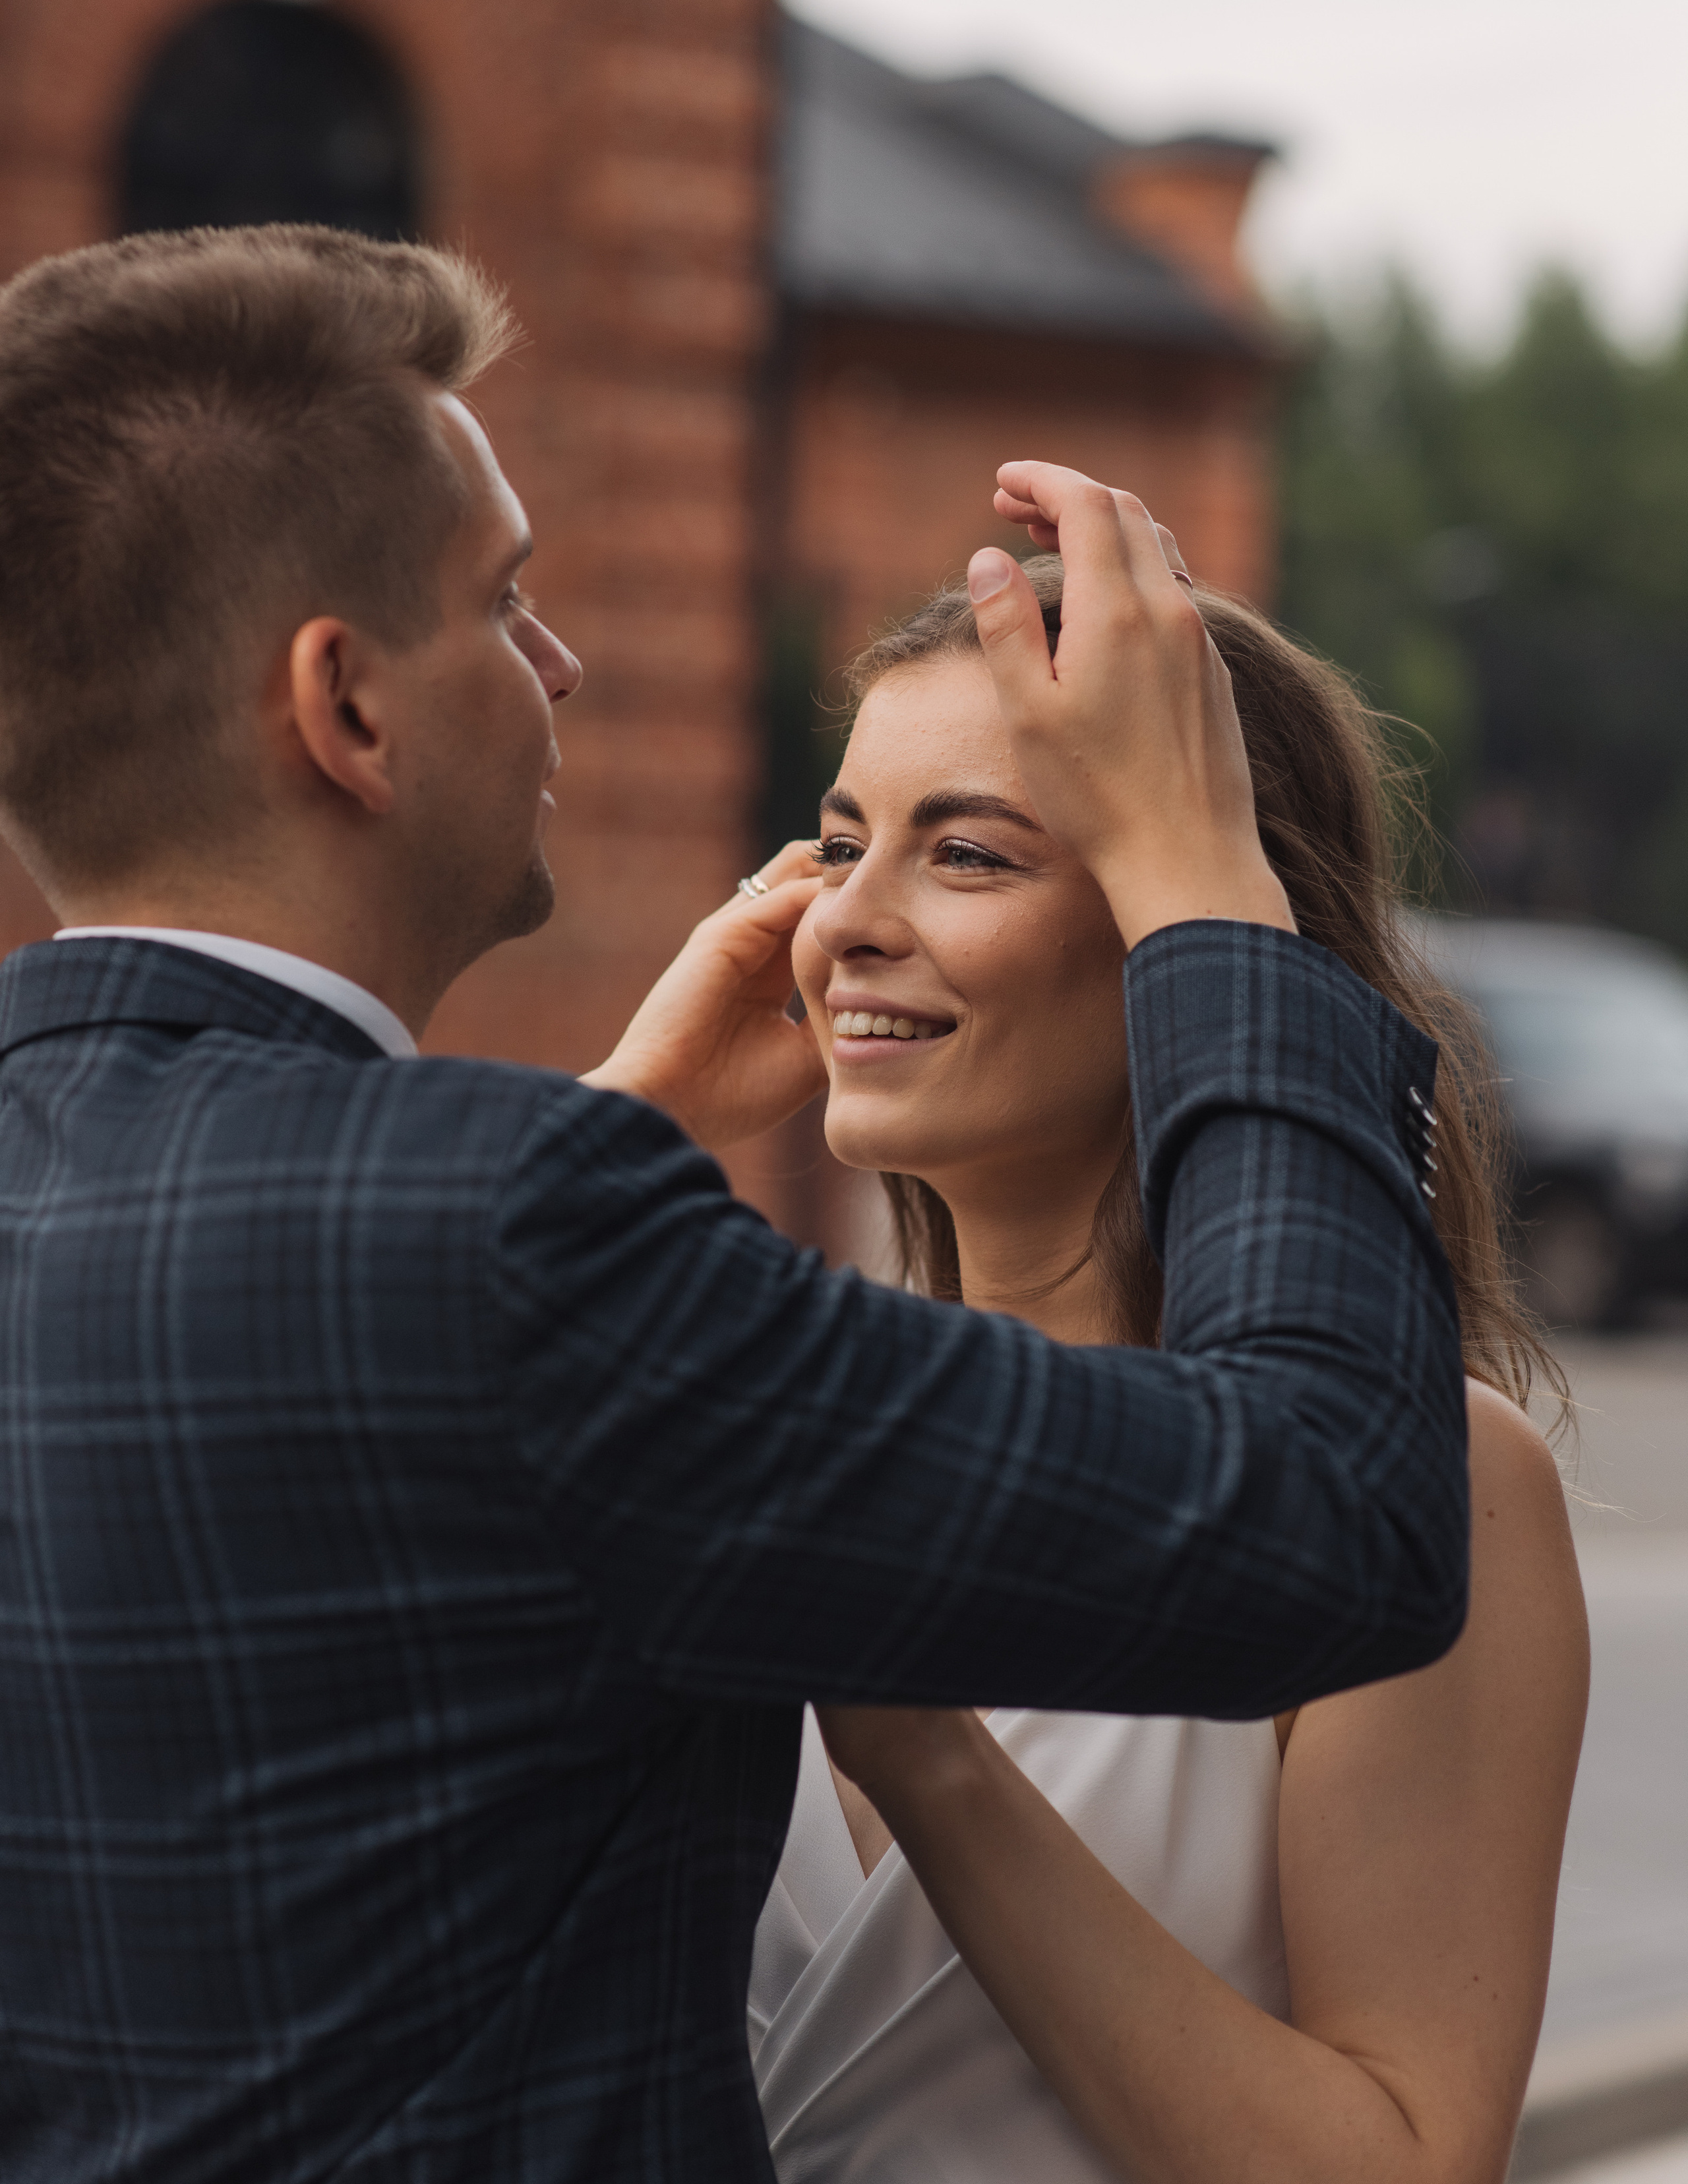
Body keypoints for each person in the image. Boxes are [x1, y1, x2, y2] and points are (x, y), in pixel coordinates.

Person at [0, 224, 1468, 2183]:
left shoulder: (389, 1229)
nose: (563, 664)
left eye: (962, 848)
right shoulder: (517, 1242)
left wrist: (608, 1140)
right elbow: (1332, 1516)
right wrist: (1207, 884)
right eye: (502, 602)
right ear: (344, 709)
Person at [750, 561, 1590, 2184]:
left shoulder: (1435, 1482)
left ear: (1182, 926)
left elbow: (1401, 2165)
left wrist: (929, 1761)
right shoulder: (762, 1403)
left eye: (967, 854)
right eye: (842, 843)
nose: (844, 919)